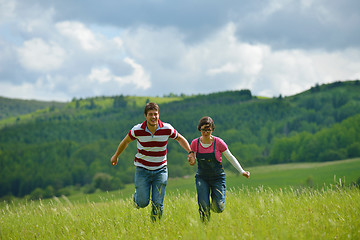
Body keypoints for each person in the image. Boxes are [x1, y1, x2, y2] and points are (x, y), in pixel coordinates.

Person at [111, 102, 196, 221]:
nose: (153, 117)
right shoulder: (137, 130)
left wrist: (190, 152)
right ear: (145, 116)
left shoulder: (167, 128)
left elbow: (180, 139)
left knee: (158, 203)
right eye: (150, 114)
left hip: (160, 170)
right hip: (142, 170)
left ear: (159, 115)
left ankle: (155, 228)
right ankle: (137, 197)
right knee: (142, 202)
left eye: (155, 114)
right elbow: (125, 142)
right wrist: (116, 156)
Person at [188, 116, 250, 222]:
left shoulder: (218, 142)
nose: (206, 132)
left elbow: (230, 157)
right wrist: (191, 160)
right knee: (203, 205)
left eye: (208, 130)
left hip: (218, 178)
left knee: (218, 207)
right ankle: (205, 229)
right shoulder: (195, 143)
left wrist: (241, 171)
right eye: (203, 130)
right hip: (202, 177)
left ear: (212, 129)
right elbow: (191, 159)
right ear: (200, 129)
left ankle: (214, 204)